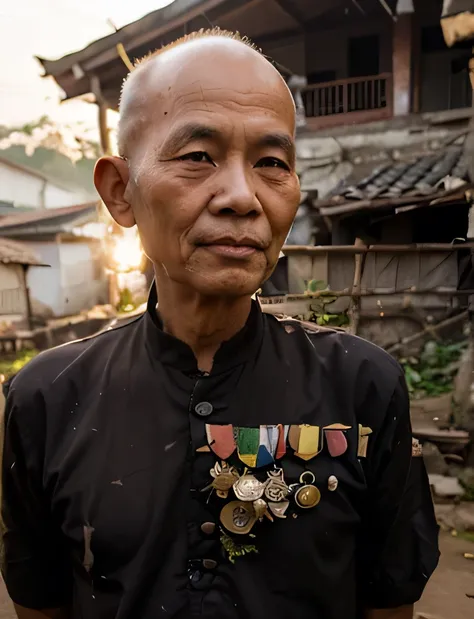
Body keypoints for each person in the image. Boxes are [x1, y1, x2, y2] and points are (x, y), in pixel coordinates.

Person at [1, 28, 438, 619]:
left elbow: (388, 605)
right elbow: (41, 604)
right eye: (198, 157)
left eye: (271, 163)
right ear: (120, 191)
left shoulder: (363, 387)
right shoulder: (47, 398)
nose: (241, 195)